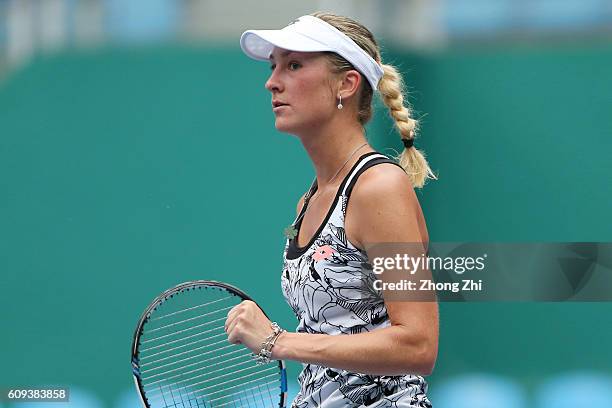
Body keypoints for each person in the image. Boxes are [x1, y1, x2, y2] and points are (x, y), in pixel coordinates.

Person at [225, 12, 439, 407]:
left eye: (293, 65)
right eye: (274, 66)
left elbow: (418, 344)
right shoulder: (309, 200)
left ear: (346, 84)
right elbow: (334, 340)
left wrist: (279, 342)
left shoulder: (379, 188)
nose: (272, 81)